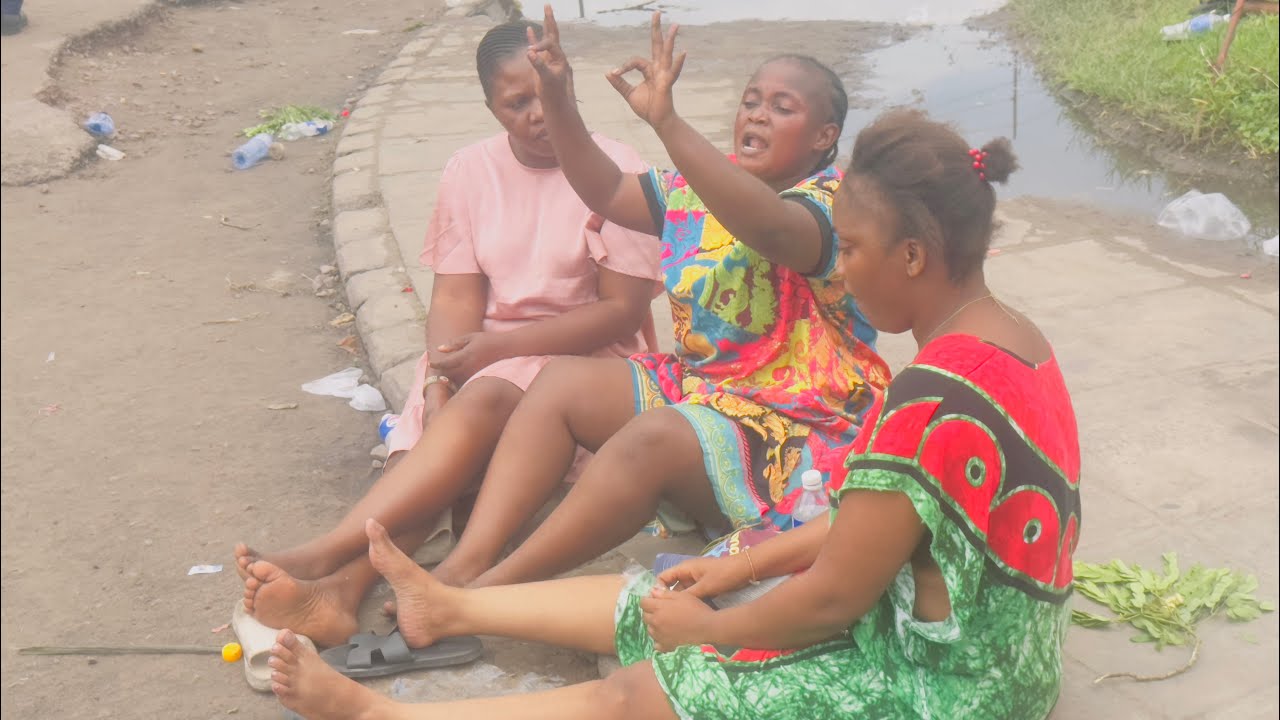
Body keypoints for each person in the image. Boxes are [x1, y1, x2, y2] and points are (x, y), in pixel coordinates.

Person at [264, 107, 1083, 720]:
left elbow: (834, 598)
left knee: (648, 686)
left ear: (913, 255)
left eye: (855, 250)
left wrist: (711, 633)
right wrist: (742, 568)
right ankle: (452, 605)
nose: (847, 270)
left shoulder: (929, 395)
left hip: (953, 688)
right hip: (999, 648)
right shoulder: (1016, 343)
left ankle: (381, 713)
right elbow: (882, 525)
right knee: (665, 596)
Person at [426, 6, 891, 590]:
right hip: (711, 394)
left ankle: (483, 594)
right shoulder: (702, 186)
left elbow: (770, 228)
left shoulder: (832, 201)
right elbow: (601, 186)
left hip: (804, 427)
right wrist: (560, 96)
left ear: (825, 138)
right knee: (561, 383)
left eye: (782, 107)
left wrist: (667, 122)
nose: (758, 114)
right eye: (752, 100)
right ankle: (466, 562)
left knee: (655, 436)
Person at [233, 20, 660, 647]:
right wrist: (437, 374)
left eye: (547, 93)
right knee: (426, 453)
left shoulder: (617, 169)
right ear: (492, 107)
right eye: (518, 102)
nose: (537, 113)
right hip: (485, 354)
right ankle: (338, 598)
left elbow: (620, 313)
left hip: (583, 358)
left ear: (567, 85)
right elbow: (458, 296)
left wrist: (493, 353)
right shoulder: (469, 170)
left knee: (481, 402)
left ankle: (327, 553)